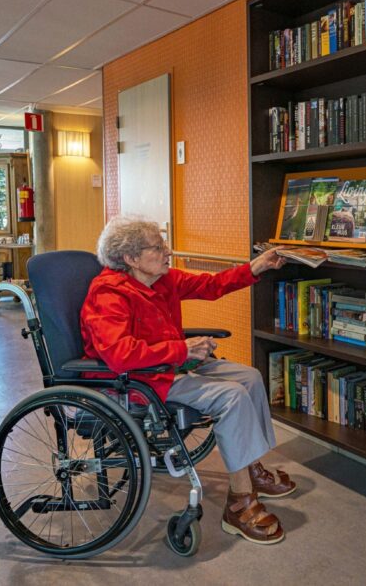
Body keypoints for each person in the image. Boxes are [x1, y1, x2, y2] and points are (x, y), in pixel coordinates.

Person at [80, 215, 296, 545]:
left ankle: (251, 467)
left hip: (170, 365)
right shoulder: (108, 293)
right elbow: (119, 355)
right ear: (131, 258)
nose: (168, 252)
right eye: (158, 247)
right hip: (140, 380)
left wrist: (257, 267)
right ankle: (239, 504)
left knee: (250, 377)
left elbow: (211, 285)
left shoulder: (161, 280)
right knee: (232, 396)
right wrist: (181, 349)